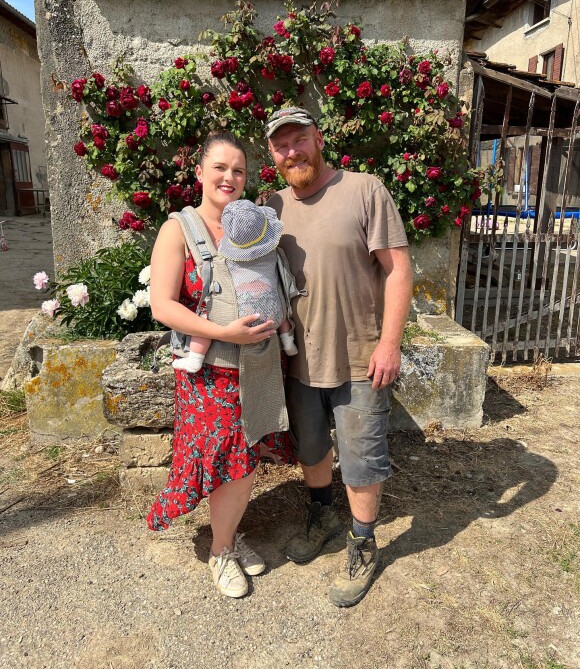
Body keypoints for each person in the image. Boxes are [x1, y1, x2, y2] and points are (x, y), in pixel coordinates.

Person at [266, 107, 414, 608]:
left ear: (318, 138)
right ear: (272, 154)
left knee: (362, 460)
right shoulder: (270, 206)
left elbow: (397, 269)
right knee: (311, 449)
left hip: (358, 357)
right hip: (297, 361)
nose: (292, 152)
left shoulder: (364, 189)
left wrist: (390, 343)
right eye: (281, 145)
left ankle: (363, 543)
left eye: (299, 140)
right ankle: (323, 515)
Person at [146, 131, 295, 599]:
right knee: (227, 459)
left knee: (244, 457)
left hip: (257, 365)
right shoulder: (179, 229)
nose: (230, 178)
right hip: (207, 372)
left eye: (239, 171)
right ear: (199, 174)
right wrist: (223, 333)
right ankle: (221, 552)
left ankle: (227, 536)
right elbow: (162, 306)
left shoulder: (252, 230)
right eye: (220, 169)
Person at [173, 200, 298, 373]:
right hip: (273, 316)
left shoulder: (225, 256)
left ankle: (195, 358)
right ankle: (288, 341)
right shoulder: (271, 252)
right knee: (280, 307)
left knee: (205, 316)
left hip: (238, 315)